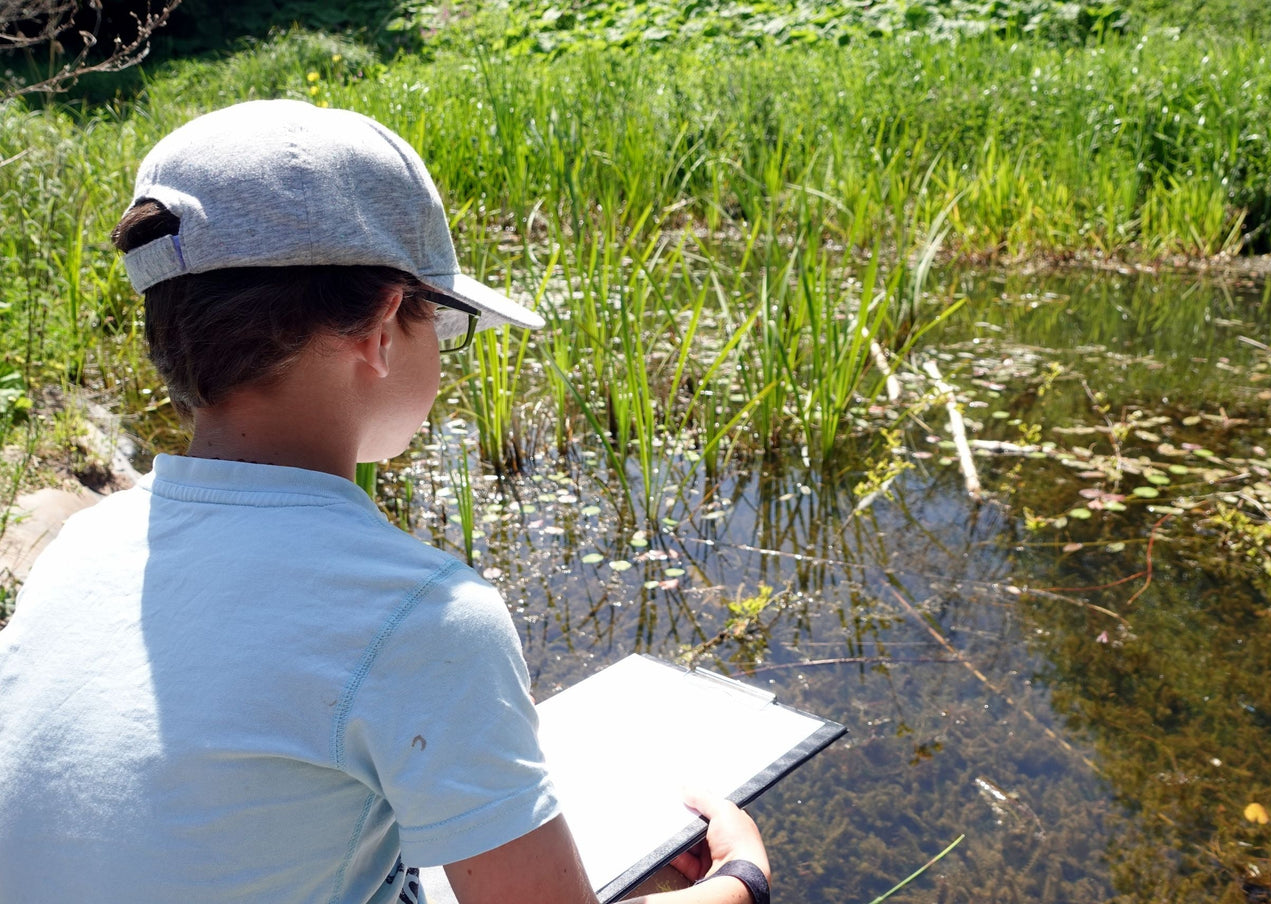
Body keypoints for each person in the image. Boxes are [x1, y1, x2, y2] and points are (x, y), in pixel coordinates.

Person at [0, 99, 770, 904]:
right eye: (441, 317)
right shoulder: (418, 615)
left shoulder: (80, 549)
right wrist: (737, 882)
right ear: (380, 326)